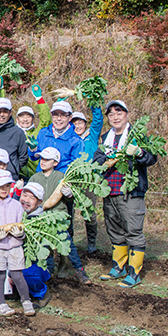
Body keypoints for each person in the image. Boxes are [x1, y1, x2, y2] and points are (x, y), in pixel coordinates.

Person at [94, 100, 158, 288]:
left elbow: (152, 158)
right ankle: (118, 266)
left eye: (119, 112)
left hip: (130, 192)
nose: (115, 116)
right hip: (109, 191)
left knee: (133, 231)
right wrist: (107, 158)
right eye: (111, 114)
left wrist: (138, 152)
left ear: (127, 114)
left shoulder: (137, 136)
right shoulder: (106, 137)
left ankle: (134, 273)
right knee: (114, 230)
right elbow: (98, 158)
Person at [28, 147, 91, 284]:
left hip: (58, 217)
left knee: (67, 244)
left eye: (46, 159)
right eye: (41, 159)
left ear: (55, 162)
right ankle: (48, 273)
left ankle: (79, 271)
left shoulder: (60, 177)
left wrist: (69, 194)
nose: (42, 162)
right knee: (44, 246)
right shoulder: (35, 178)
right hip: (41, 217)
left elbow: (69, 200)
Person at [0, 169, 35, 317]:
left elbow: (22, 225)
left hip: (14, 246)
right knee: (0, 275)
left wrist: (20, 234)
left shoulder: (16, 206)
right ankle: (1, 304)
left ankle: (26, 301)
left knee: (17, 275)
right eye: (0, 187)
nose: (4, 190)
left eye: (7, 186)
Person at [71, 107, 104, 254]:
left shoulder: (92, 136)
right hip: (72, 179)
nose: (77, 126)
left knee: (89, 212)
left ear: (85, 124)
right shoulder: (70, 138)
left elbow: (98, 120)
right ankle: (69, 242)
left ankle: (91, 243)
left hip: (89, 179)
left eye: (80, 122)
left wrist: (94, 103)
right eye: (74, 123)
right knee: (68, 212)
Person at [18, 182, 53, 308]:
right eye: (25, 195)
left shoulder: (43, 220)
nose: (26, 200)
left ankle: (41, 294)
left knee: (27, 272)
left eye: (32, 198)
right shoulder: (14, 212)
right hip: (14, 259)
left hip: (38, 263)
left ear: (39, 202)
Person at [29, 101, 83, 173]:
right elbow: (34, 158)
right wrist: (33, 150)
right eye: (55, 114)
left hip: (62, 180)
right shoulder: (43, 133)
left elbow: (76, 166)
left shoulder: (76, 141)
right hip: (41, 177)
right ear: (51, 115)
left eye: (63, 115)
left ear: (70, 117)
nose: (59, 118)